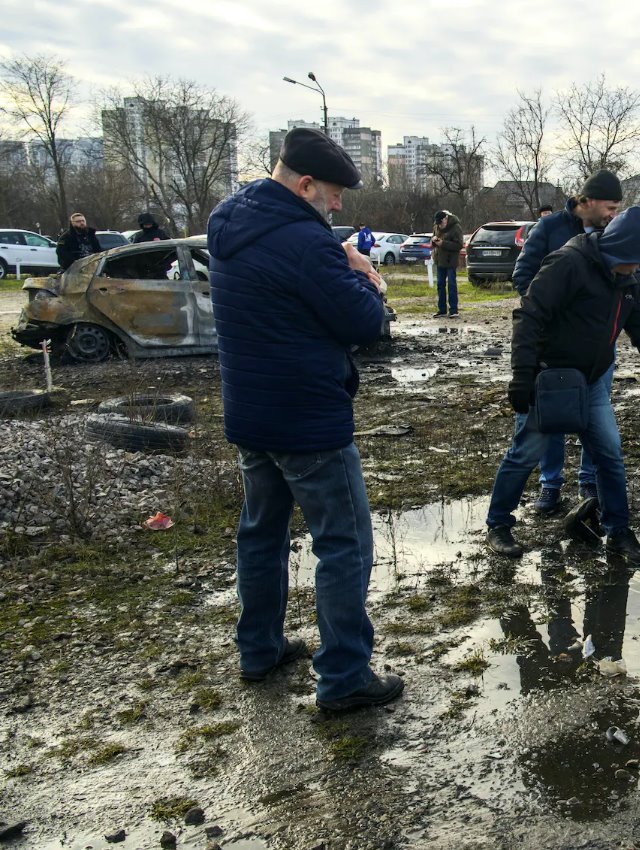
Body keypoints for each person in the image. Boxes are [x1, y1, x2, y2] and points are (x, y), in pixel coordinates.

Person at [207, 127, 403, 713]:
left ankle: (259, 648)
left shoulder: (229, 222)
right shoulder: (305, 241)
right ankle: (343, 677)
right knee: (344, 543)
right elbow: (366, 323)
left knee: (260, 533)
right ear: (306, 183)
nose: (339, 204)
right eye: (335, 193)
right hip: (308, 418)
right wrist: (365, 273)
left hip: (251, 409)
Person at [485, 205, 640, 562]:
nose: (636, 269)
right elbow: (528, 315)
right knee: (525, 453)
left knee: (610, 456)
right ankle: (498, 526)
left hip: (592, 381)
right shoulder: (568, 263)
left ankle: (619, 532)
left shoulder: (627, 280)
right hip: (550, 378)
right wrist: (522, 375)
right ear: (615, 249)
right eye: (632, 261)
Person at [511, 170, 624, 514]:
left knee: (595, 410)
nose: (613, 215)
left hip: (597, 345)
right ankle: (550, 484)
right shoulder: (549, 229)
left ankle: (588, 481)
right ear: (586, 201)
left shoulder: (613, 232)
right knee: (552, 413)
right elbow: (523, 278)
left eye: (618, 208)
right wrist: (562, 309)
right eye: (609, 207)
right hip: (556, 346)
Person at [431, 209, 463, 317]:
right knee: (440, 284)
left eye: (441, 222)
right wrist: (434, 241)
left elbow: (459, 245)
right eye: (438, 223)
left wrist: (443, 243)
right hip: (440, 260)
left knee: (452, 285)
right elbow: (433, 242)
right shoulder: (436, 226)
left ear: (445, 219)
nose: (439, 225)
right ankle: (442, 309)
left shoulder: (455, 227)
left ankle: (453, 309)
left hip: (451, 260)